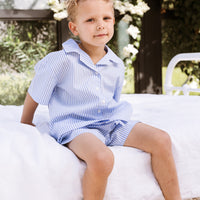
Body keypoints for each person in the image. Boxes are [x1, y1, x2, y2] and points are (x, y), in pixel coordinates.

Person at [21, 0, 182, 199]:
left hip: (111, 122)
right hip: (76, 126)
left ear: (113, 22)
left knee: (162, 139)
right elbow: (36, 91)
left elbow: (112, 99)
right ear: (74, 28)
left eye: (106, 18)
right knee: (102, 158)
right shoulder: (61, 60)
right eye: (90, 20)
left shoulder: (115, 63)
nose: (100, 25)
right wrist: (25, 122)